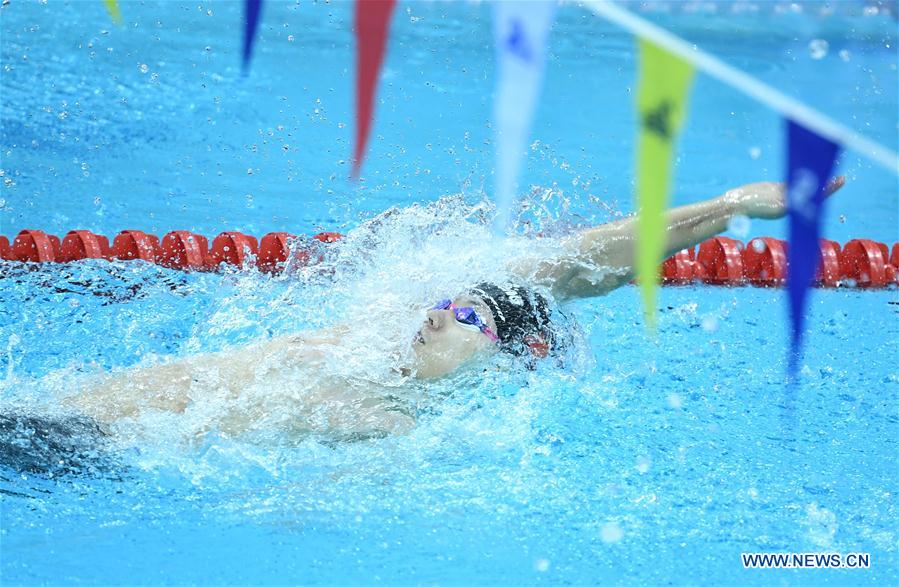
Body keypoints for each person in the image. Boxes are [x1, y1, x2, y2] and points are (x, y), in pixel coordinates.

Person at [58, 177, 844, 443]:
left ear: (505, 356)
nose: (438, 314)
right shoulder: (371, 335)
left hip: (94, 445)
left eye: (467, 319)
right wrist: (735, 203)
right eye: (446, 302)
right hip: (80, 406)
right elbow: (592, 254)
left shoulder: (395, 425)